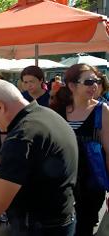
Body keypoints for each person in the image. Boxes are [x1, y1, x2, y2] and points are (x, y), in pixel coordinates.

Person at [0, 79, 78, 236]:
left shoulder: (21, 136)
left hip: (39, 226)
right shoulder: (47, 115)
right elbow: (32, 161)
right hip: (62, 218)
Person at [50, 64, 109, 236]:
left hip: (91, 184)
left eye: (97, 81)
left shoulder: (102, 110)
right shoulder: (58, 110)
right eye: (89, 82)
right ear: (72, 86)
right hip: (61, 182)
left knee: (84, 228)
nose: (95, 86)